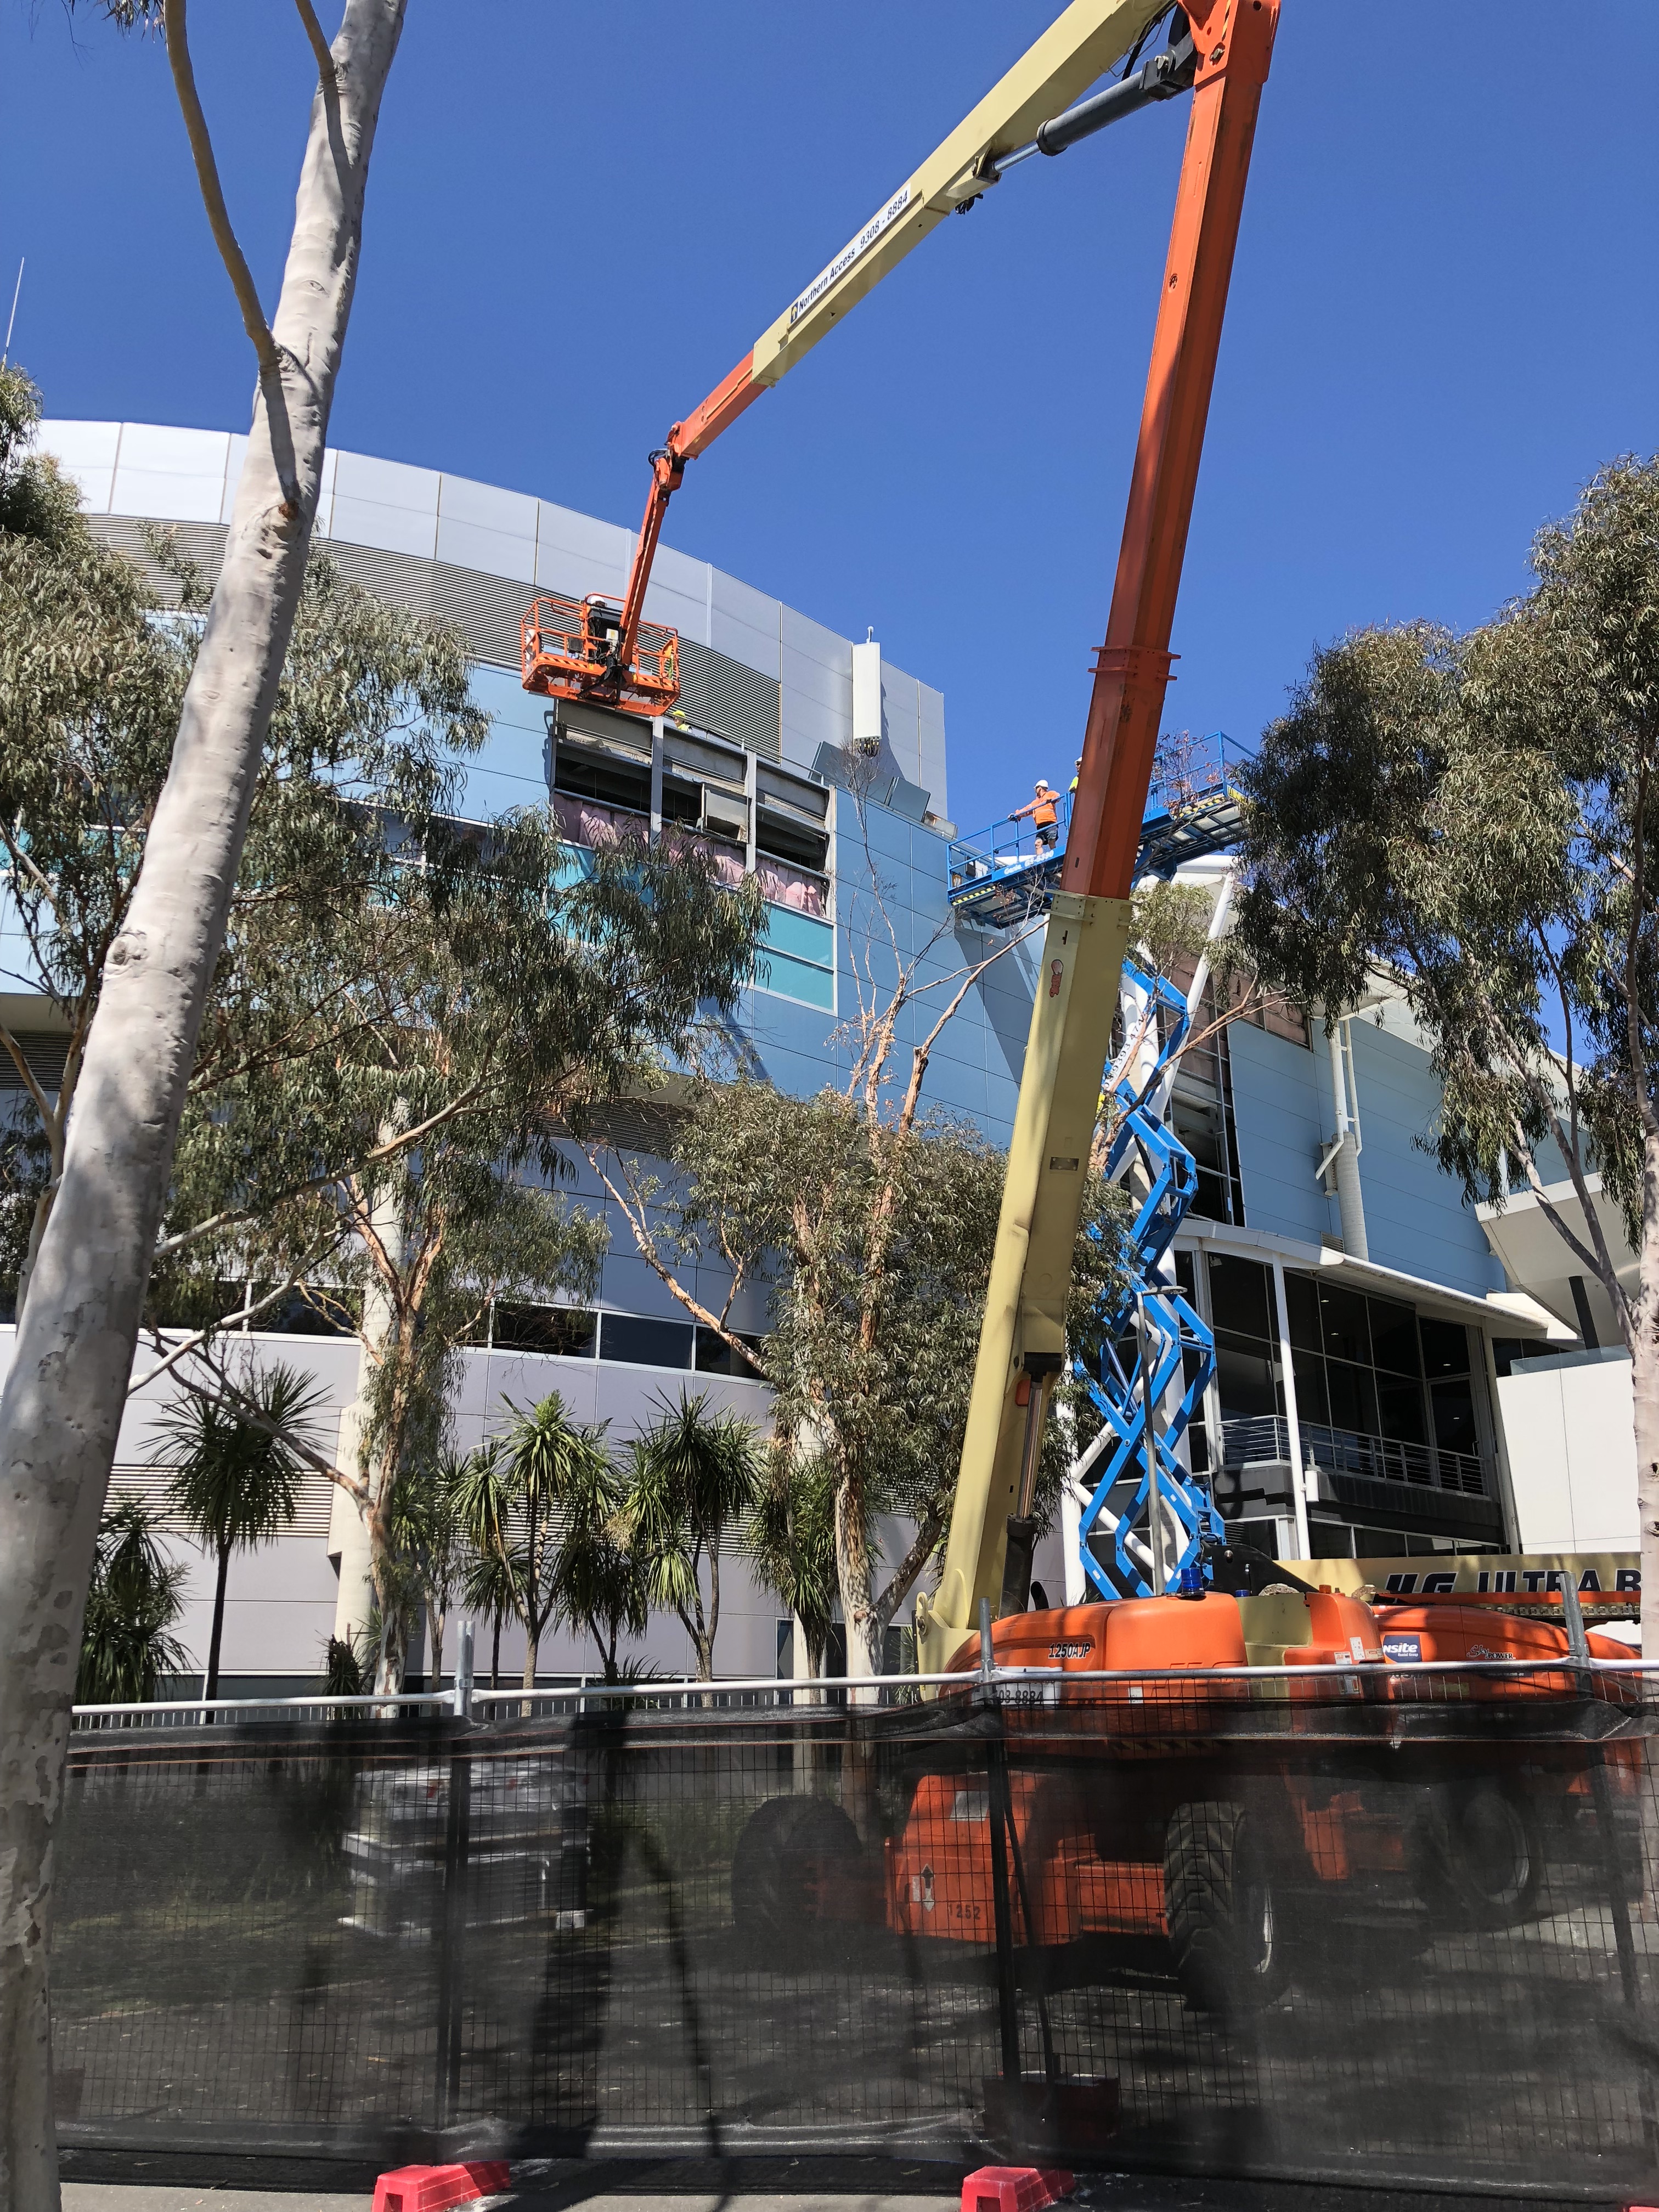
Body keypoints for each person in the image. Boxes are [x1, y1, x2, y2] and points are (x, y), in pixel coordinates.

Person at [1011, 778, 1060, 853]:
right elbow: (1026, 810)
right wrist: (1016, 815)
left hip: (1051, 823)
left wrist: (1051, 800)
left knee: (1051, 842)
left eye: (1036, 788)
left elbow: (1058, 797)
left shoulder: (1050, 794)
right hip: (1040, 826)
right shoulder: (1035, 803)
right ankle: (1040, 862)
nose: (1035, 791)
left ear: (1040, 788)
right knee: (1038, 844)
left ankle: (1056, 856)